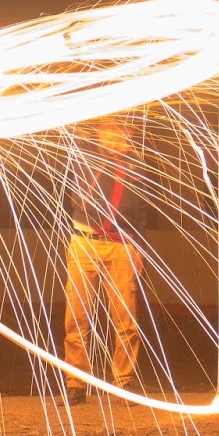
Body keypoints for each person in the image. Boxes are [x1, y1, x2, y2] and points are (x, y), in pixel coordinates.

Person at [60, 115, 145, 405]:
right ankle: (76, 383)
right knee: (77, 316)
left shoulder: (137, 164)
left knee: (126, 318)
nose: (114, 136)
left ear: (129, 132)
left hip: (121, 245)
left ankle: (125, 382)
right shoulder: (85, 155)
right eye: (108, 130)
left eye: (120, 131)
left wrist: (138, 247)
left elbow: (141, 209)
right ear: (97, 132)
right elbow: (84, 197)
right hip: (84, 241)